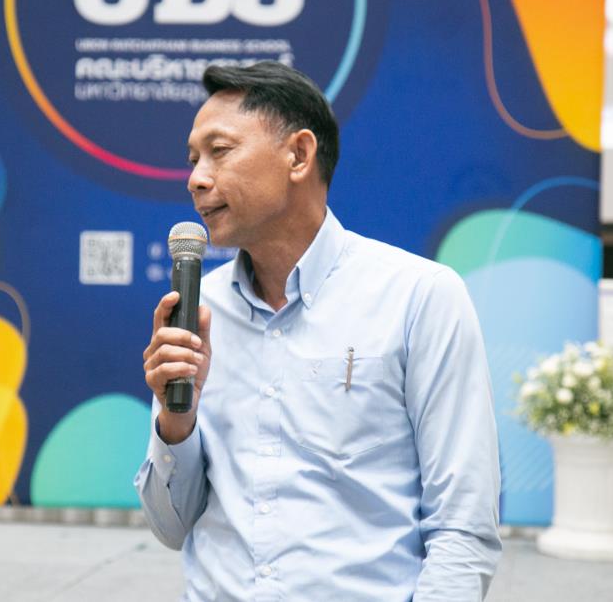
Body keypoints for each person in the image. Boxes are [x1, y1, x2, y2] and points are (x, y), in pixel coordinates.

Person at [134, 61, 501, 601]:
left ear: (299, 155)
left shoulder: (419, 296)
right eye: (193, 160)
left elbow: (463, 527)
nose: (196, 178)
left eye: (220, 151)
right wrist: (176, 420)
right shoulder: (197, 309)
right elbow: (171, 527)